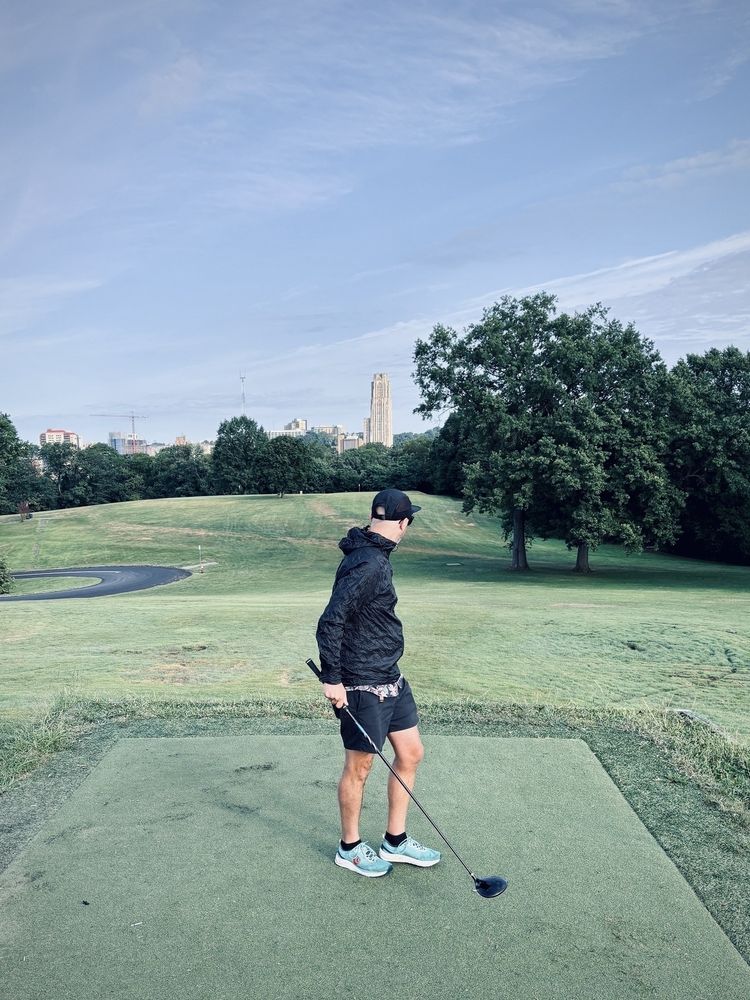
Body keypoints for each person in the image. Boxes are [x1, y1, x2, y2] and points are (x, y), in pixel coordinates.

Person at [316, 488, 440, 877]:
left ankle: (395, 841)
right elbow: (331, 619)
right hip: (362, 683)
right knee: (360, 766)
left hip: (390, 675)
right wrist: (333, 678)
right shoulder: (368, 563)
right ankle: (349, 847)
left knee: (411, 753)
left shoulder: (374, 555)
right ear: (403, 523)